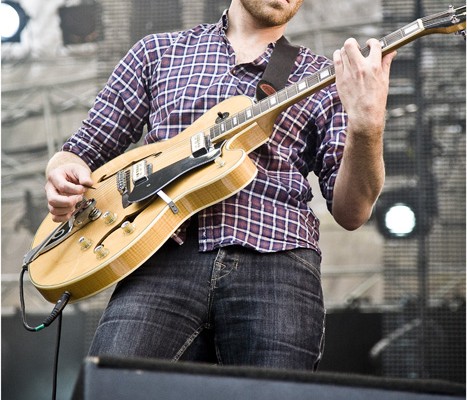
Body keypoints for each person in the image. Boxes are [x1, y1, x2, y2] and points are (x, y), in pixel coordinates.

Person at [44, 0, 395, 370]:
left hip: (278, 262)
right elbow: (80, 151)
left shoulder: (326, 77)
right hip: (159, 256)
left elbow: (353, 212)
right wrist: (62, 168)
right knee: (112, 388)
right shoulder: (157, 52)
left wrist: (367, 125)